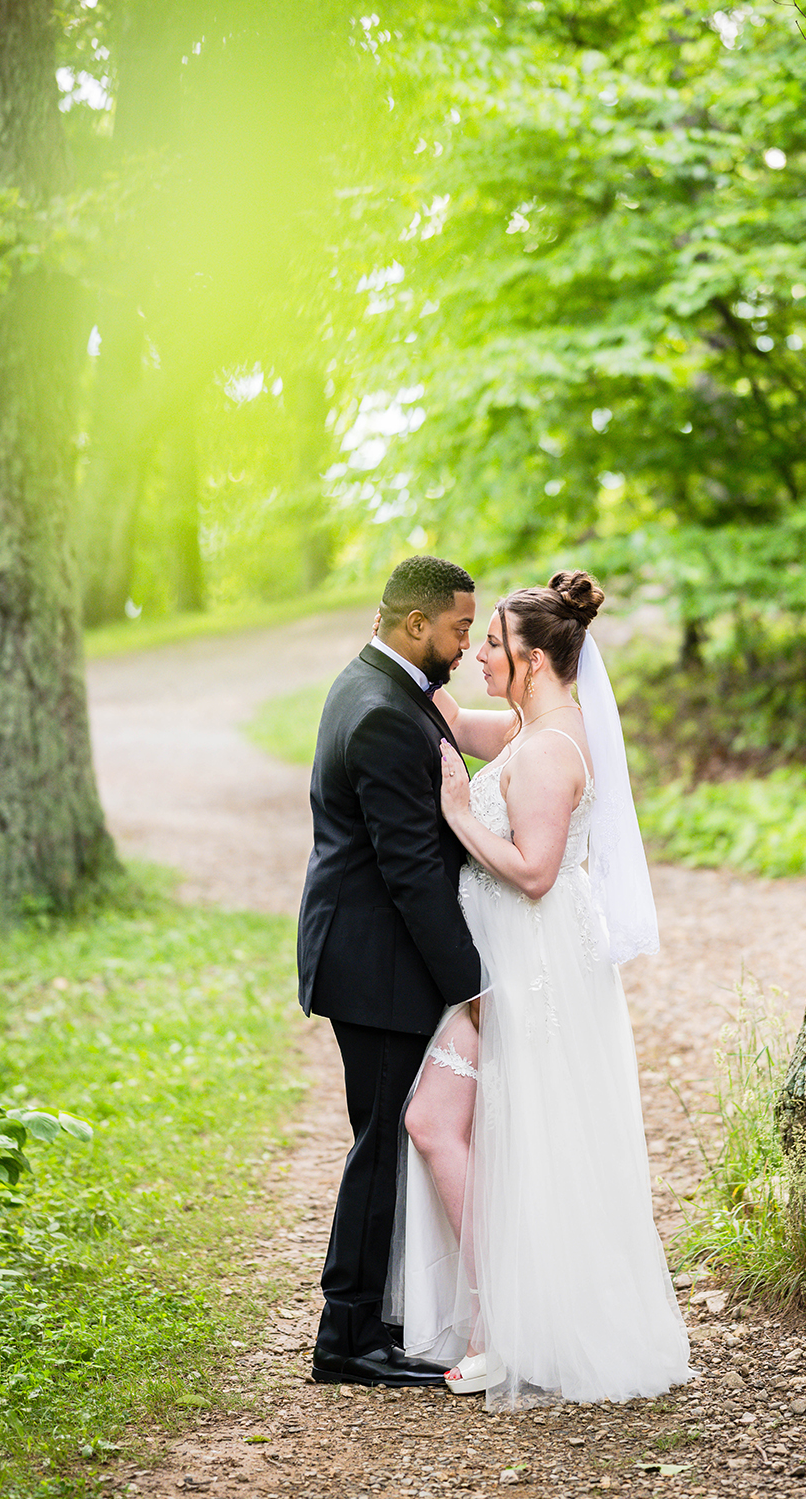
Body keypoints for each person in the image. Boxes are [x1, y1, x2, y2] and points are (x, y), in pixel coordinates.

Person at [384, 570, 692, 1408]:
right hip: (504, 962)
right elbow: (454, 722)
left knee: (491, 1131)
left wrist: (458, 817)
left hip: (532, 965)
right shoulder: (532, 726)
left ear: (534, 660)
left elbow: (535, 871)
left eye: (493, 644)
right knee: (470, 1129)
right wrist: (392, 651)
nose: (478, 651)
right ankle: (499, 1324)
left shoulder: (555, 750)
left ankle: (499, 1332)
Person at [298, 555, 483, 1389]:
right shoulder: (378, 708)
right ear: (417, 625)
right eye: (457, 628)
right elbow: (407, 867)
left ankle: (376, 1319)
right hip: (374, 963)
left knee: (383, 1139)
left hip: (372, 953)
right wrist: (470, 983)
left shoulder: (381, 682)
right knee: (379, 1146)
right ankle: (348, 1339)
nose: (465, 641)